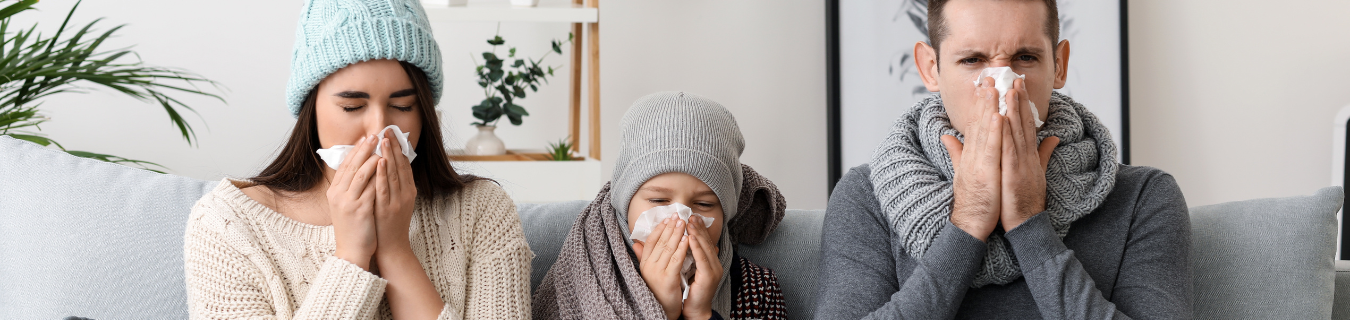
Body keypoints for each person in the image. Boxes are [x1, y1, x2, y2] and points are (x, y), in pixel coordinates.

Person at [815, 0, 1191, 318]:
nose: (1000, 85)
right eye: (973, 60)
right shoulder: (866, 196)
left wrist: (1029, 223)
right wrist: (968, 222)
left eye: (1025, 57)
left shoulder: (1144, 196)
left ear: (1059, 64)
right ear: (931, 67)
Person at [183, 0, 533, 318]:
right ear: (311, 109)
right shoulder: (226, 225)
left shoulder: (484, 211)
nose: (378, 131)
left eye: (402, 106)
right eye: (352, 107)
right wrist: (351, 254)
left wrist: (396, 251)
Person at [533, 92, 788, 320]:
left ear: (727, 211)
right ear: (624, 202)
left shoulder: (758, 289)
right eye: (658, 201)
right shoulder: (583, 280)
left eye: (704, 203)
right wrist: (661, 311)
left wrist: (700, 314)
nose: (680, 219)